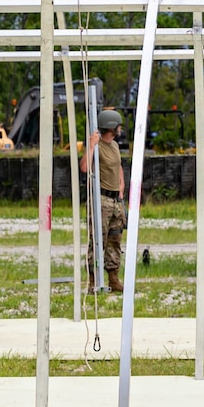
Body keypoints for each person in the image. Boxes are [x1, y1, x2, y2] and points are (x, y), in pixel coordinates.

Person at [80, 108, 125, 292]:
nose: (121, 129)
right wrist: (91, 146)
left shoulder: (114, 145)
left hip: (115, 200)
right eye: (119, 126)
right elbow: (84, 167)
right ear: (112, 127)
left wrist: (121, 187)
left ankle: (113, 278)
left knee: (115, 240)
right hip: (101, 199)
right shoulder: (97, 147)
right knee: (98, 240)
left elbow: (118, 167)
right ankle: (93, 281)